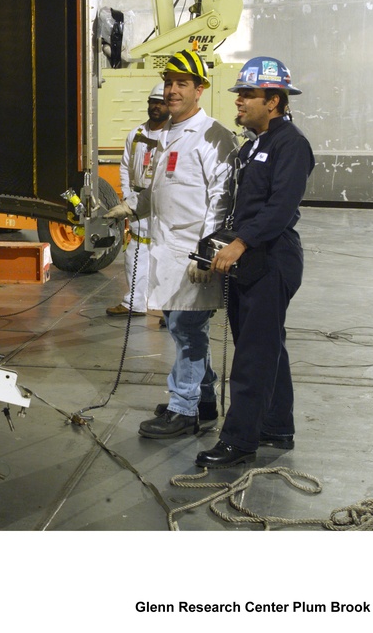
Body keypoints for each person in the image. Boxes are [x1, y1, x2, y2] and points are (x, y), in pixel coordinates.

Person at [106, 49, 237, 437]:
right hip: (167, 252)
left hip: (194, 257)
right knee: (184, 329)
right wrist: (130, 208)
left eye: (182, 83)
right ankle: (204, 401)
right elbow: (160, 190)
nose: (172, 90)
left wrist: (207, 253)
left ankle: (184, 410)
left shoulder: (213, 137)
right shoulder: (167, 134)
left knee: (186, 330)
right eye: (168, 83)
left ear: (200, 89)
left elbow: (223, 199)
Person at [195, 56, 315, 468]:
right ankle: (276, 426)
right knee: (266, 346)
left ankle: (239, 441)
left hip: (272, 256)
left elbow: (281, 207)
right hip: (250, 257)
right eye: (240, 94)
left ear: (274, 100)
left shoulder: (290, 143)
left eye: (248, 94)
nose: (239, 101)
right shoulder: (253, 145)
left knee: (252, 355)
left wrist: (241, 242)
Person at [105, 82, 169, 318]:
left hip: (163, 203)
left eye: (161, 103)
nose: (156, 107)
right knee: (136, 251)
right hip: (137, 203)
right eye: (153, 102)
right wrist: (128, 197)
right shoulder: (136, 134)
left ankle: (169, 308)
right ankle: (135, 302)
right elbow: (125, 166)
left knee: (165, 254)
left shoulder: (172, 136)